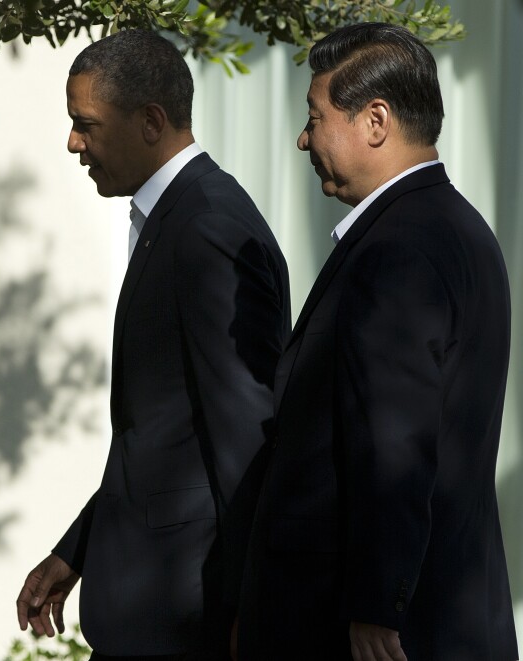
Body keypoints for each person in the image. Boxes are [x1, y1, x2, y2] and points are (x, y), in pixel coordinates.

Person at [236, 22, 518, 661]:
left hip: (379, 634)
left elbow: (395, 443)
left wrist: (374, 605)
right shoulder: (460, 230)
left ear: (375, 120)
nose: (304, 137)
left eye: (315, 115)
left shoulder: (399, 250)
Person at [15, 29, 291, 659]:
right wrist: (75, 550)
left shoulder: (207, 229)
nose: (73, 143)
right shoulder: (178, 219)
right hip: (155, 610)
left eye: (86, 124)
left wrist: (256, 608)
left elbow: (246, 436)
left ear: (150, 121)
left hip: (184, 617)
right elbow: (165, 432)